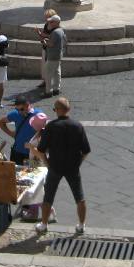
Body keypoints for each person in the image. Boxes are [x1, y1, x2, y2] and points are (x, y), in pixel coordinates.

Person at [36, 96, 91, 235]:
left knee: (48, 196)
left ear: (57, 110)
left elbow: (41, 150)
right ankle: (81, 225)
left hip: (55, 166)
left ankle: (43, 224)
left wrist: (47, 164)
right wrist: (78, 162)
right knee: (79, 196)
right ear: (69, 109)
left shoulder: (51, 126)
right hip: (73, 167)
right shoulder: (78, 126)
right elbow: (86, 151)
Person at [1, 96, 44, 165]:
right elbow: (1, 122)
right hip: (17, 152)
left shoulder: (38, 115)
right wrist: (11, 133)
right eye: (17, 109)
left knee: (31, 172)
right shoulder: (16, 114)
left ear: (27, 105)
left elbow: (44, 132)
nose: (19, 112)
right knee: (15, 171)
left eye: (21, 109)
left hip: (32, 154)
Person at [41, 13, 67, 96]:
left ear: (56, 22)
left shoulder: (55, 32)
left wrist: (44, 42)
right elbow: (64, 41)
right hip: (58, 55)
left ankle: (48, 91)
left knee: (48, 74)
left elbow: (51, 44)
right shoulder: (61, 30)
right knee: (57, 73)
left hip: (52, 56)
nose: (50, 23)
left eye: (51, 22)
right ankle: (56, 89)